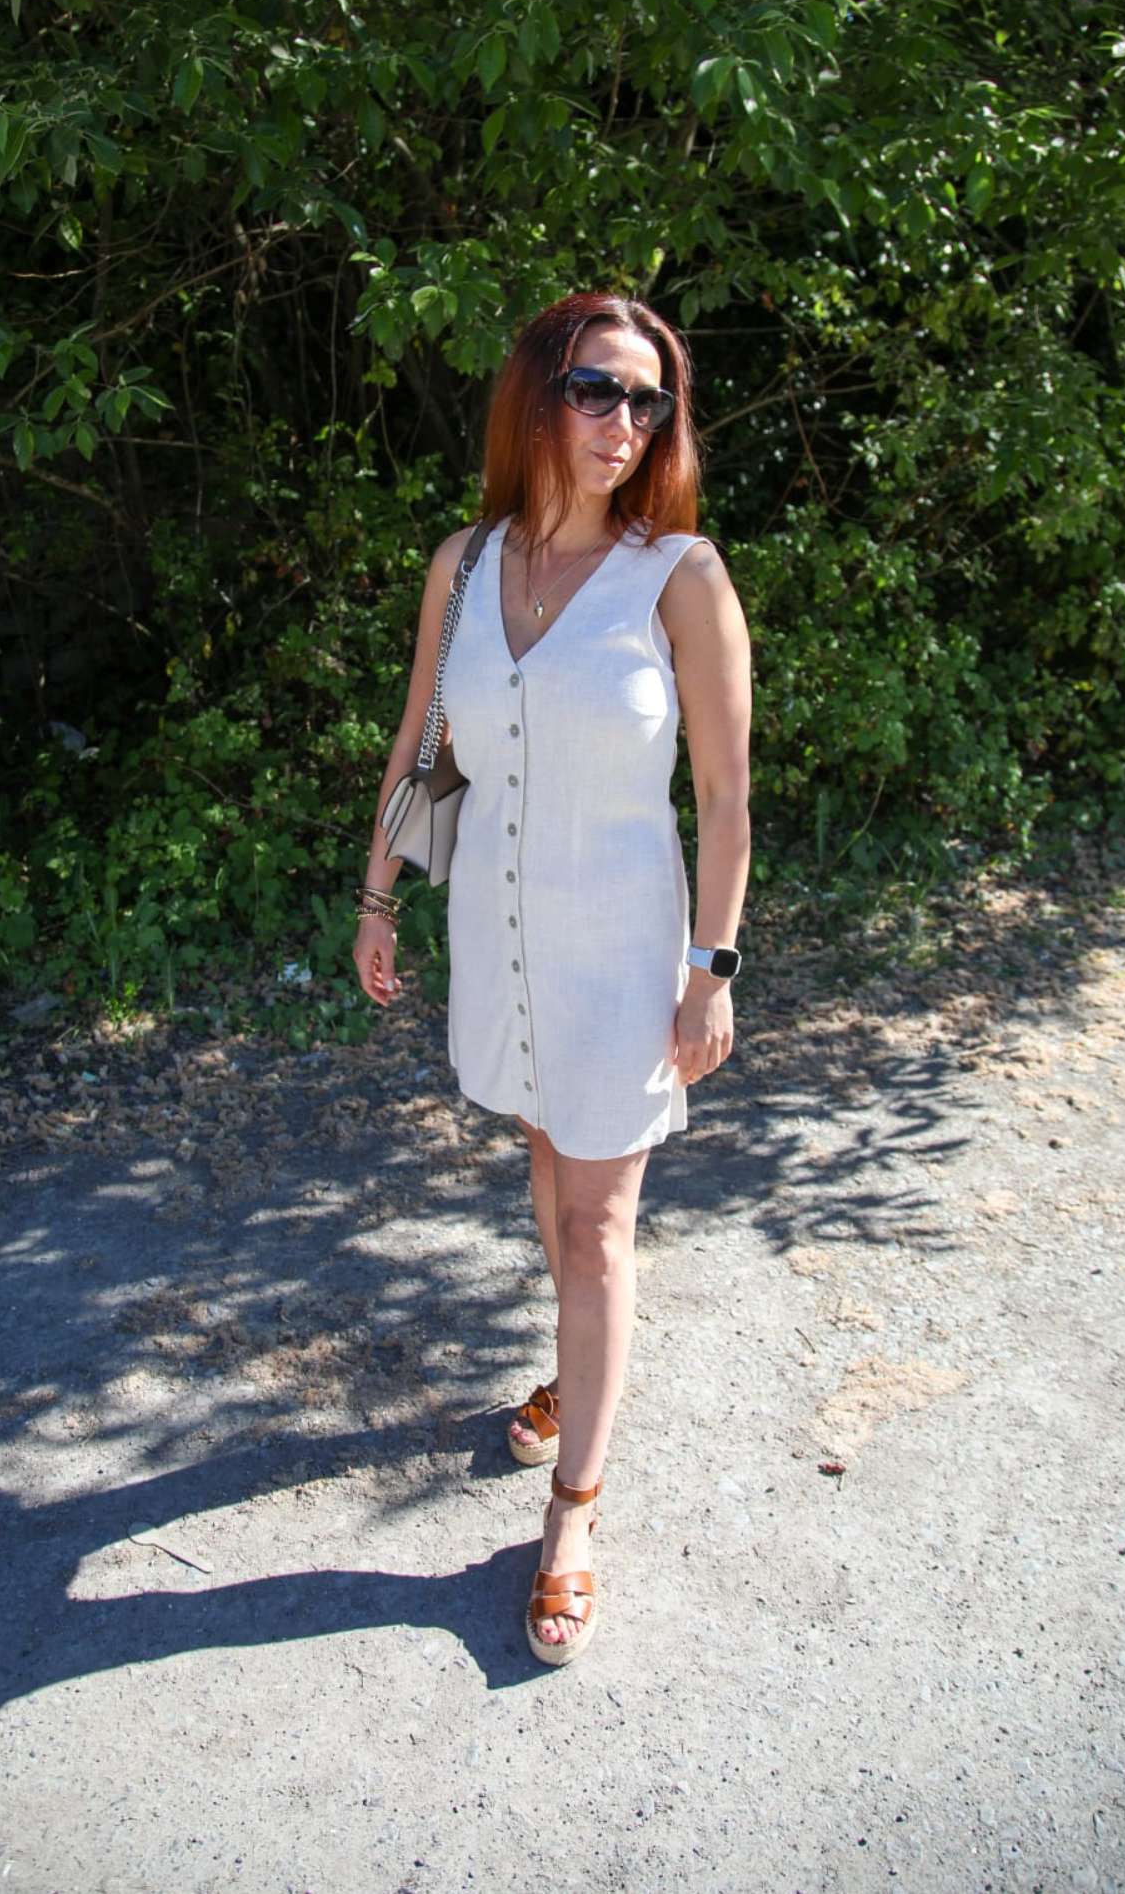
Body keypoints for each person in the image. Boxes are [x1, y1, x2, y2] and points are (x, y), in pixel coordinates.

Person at [353, 291, 751, 1664]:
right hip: (499, 937)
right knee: (545, 1169)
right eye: (598, 390)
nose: (624, 423)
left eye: (649, 401)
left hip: (625, 951)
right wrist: (379, 893)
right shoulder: (465, 565)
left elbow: (726, 797)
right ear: (537, 395)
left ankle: (573, 1515)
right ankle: (579, 1379)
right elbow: (424, 742)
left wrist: (710, 969)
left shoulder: (680, 577)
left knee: (596, 1224)